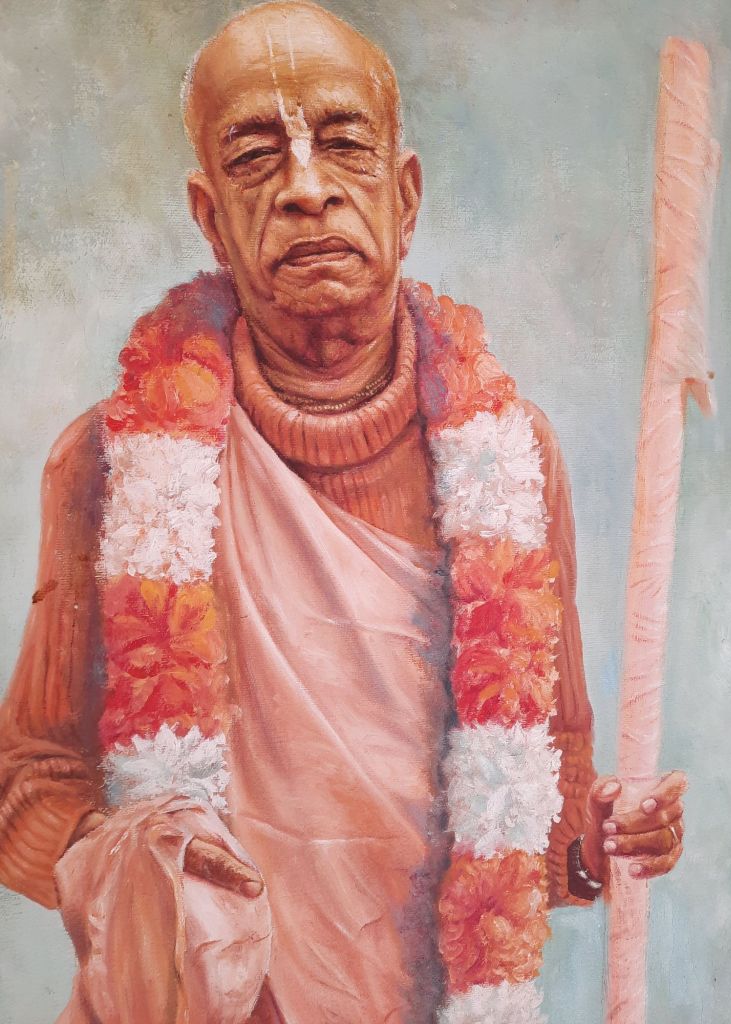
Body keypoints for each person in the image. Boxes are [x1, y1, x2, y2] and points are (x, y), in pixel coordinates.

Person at [0, 3, 687, 1022]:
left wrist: (600, 837)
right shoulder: (109, 462)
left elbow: (537, 797)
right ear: (209, 217)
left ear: (404, 197)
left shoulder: (510, 458)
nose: (306, 188)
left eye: (343, 144)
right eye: (255, 157)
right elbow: (24, 786)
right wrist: (138, 866)